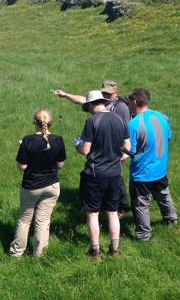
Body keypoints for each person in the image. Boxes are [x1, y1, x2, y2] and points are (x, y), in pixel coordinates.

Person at [53, 80, 131, 215]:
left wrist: (124, 153)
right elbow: (82, 100)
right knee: (108, 179)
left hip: (112, 149)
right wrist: (65, 95)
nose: (105, 95)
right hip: (104, 148)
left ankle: (121, 206)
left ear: (115, 94)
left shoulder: (121, 108)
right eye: (103, 93)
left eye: (108, 93)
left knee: (113, 181)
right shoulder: (99, 104)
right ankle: (105, 207)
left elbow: (125, 131)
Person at [76, 90, 130, 258]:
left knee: (93, 213)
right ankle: (114, 249)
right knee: (113, 212)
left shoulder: (92, 121)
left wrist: (77, 145)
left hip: (94, 174)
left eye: (88, 107)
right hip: (114, 173)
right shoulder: (119, 119)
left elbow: (86, 150)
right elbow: (127, 148)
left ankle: (95, 251)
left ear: (93, 104)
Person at [10, 109, 66, 258]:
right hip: (52, 186)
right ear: (50, 123)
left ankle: (16, 252)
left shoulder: (27, 140)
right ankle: (39, 254)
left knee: (24, 220)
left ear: (34, 122)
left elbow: (22, 166)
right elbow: (60, 165)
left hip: (31, 186)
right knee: (43, 220)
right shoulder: (58, 140)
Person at [125, 88, 177, 241]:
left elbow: (131, 150)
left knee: (141, 204)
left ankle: (143, 234)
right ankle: (171, 218)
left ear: (134, 102)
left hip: (141, 173)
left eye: (129, 101)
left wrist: (120, 147)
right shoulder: (161, 117)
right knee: (163, 194)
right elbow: (168, 137)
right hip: (160, 168)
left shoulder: (134, 124)